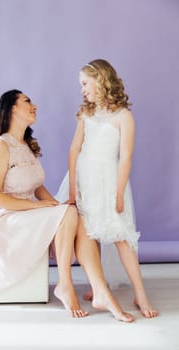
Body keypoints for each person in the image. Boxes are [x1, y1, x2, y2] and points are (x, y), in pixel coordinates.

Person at [57, 59, 158, 318]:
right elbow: (74, 148)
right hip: (83, 179)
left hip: (110, 181)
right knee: (89, 233)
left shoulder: (124, 116)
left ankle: (140, 294)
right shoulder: (86, 114)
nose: (82, 90)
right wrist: (72, 187)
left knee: (121, 237)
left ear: (100, 79)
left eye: (84, 83)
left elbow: (125, 157)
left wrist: (119, 192)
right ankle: (97, 285)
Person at [0, 89, 88, 318]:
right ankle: (65, 283)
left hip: (25, 214)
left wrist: (57, 205)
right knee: (66, 213)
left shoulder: (25, 145)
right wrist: (38, 207)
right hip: (4, 220)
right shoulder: (0, 146)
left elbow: (37, 187)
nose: (35, 106)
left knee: (72, 212)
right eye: (28, 101)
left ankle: (95, 283)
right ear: (12, 108)